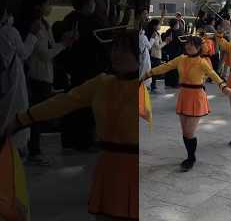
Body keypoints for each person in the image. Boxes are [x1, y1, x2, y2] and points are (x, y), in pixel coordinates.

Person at [5, 30, 140, 221]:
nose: (116, 53)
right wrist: (22, 119)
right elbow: (63, 102)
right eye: (115, 47)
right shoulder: (102, 83)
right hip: (108, 170)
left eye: (125, 49)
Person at [142, 36, 231, 171]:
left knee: (189, 132)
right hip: (184, 96)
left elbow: (213, 74)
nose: (188, 46)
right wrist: (148, 74)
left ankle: (191, 158)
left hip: (196, 97)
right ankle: (190, 156)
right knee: (185, 132)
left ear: (198, 48)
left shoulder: (202, 62)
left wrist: (224, 87)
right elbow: (165, 67)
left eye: (192, 45)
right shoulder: (181, 59)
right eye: (187, 44)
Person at [15, 0, 75, 165]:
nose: (50, 5)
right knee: (36, 116)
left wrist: (62, 43)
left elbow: (48, 50)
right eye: (47, 2)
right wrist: (63, 45)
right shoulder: (34, 26)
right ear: (37, 6)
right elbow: (44, 54)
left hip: (44, 76)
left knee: (38, 116)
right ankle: (34, 152)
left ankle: (34, 151)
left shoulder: (42, 23)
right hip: (38, 77)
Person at [60, 0, 108, 151]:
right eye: (93, 1)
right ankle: (86, 141)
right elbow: (104, 46)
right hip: (91, 70)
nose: (95, 4)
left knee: (74, 104)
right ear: (88, 3)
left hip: (74, 70)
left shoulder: (69, 19)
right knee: (88, 107)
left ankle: (70, 140)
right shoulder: (96, 21)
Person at [0, 0, 39, 154]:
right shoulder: (9, 32)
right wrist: (33, 35)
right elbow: (23, 53)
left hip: (5, 81)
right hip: (13, 80)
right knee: (16, 115)